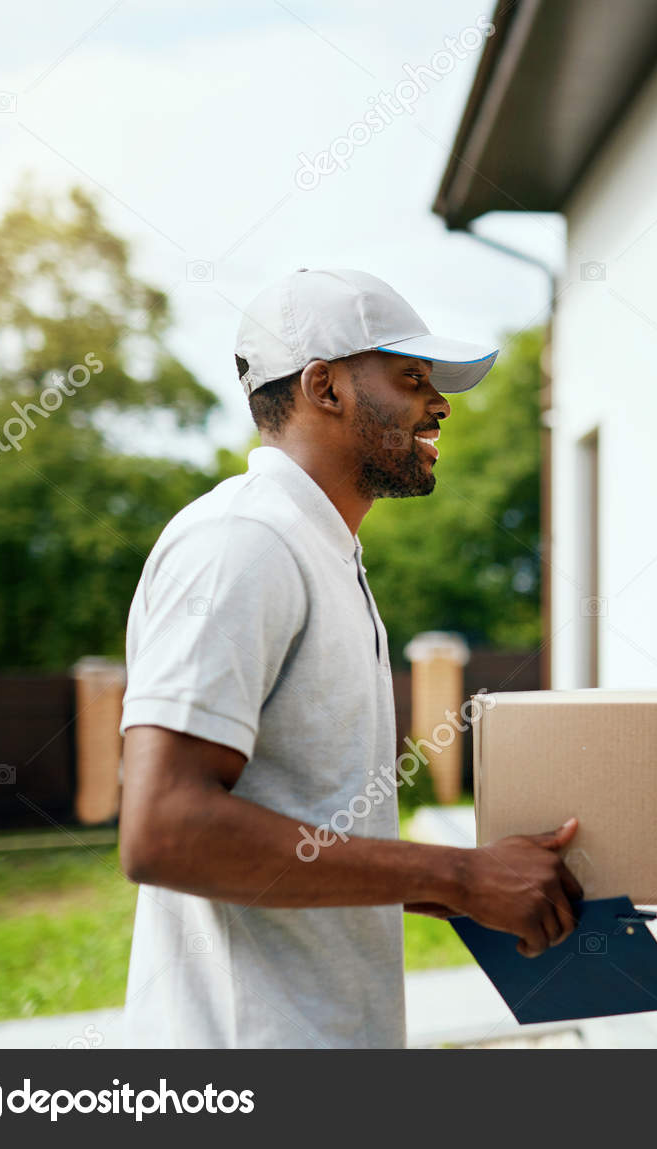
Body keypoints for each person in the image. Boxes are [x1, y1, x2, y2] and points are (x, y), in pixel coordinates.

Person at [117, 268, 582, 1048]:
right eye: (411, 378)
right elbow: (165, 829)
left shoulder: (322, 551)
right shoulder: (244, 543)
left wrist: (470, 887)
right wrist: (459, 878)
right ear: (323, 387)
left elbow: (305, 828)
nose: (438, 405)